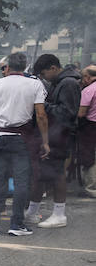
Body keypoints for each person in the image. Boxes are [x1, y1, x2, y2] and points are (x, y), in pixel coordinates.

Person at [0, 52, 49, 236]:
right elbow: (41, 115)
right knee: (21, 181)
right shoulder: (35, 84)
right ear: (25, 67)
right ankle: (16, 225)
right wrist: (46, 142)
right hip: (22, 138)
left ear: (7, 67)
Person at [26, 55, 81, 228]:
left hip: (62, 135)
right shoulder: (61, 82)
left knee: (57, 174)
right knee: (42, 173)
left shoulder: (68, 83)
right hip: (54, 134)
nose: (43, 78)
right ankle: (32, 211)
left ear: (53, 68)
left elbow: (68, 112)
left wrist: (42, 105)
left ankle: (59, 214)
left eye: (44, 74)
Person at [77, 65, 96, 197]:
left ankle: (91, 188)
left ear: (88, 77)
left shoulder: (88, 90)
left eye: (83, 77)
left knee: (89, 157)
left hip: (90, 127)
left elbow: (81, 113)